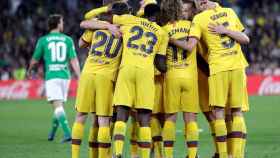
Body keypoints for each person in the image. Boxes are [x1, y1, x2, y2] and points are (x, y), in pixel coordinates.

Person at [81, 2, 169, 158]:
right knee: (144, 117)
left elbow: (93, 18)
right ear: (157, 16)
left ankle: (119, 152)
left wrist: (108, 21)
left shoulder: (130, 20)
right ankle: (144, 155)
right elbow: (161, 64)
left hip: (126, 69)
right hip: (145, 73)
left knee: (121, 113)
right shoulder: (162, 33)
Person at [170, 0, 250, 157]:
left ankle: (232, 153)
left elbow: (194, 50)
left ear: (195, 9)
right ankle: (223, 152)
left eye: (187, 10)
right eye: (182, 10)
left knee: (227, 114)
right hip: (207, 74)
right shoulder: (193, 23)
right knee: (217, 115)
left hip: (215, 70)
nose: (185, 13)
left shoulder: (198, 22)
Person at [72, 3, 126, 158]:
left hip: (88, 73)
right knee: (103, 120)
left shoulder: (98, 27)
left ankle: (74, 156)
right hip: (106, 77)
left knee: (81, 116)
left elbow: (81, 44)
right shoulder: (125, 31)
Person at [27, 14, 80, 143]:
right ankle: (52, 133)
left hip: (52, 76)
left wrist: (30, 70)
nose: (63, 24)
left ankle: (68, 133)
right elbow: (73, 60)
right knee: (59, 105)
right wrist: (79, 75)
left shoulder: (43, 40)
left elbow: (35, 60)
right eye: (62, 22)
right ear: (57, 24)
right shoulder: (67, 40)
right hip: (65, 77)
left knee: (57, 106)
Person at [160, 0, 199, 158]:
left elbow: (160, 58)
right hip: (189, 76)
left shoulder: (163, 30)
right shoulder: (193, 26)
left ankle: (168, 155)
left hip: (171, 76)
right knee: (190, 118)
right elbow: (192, 47)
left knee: (170, 118)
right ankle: (192, 155)